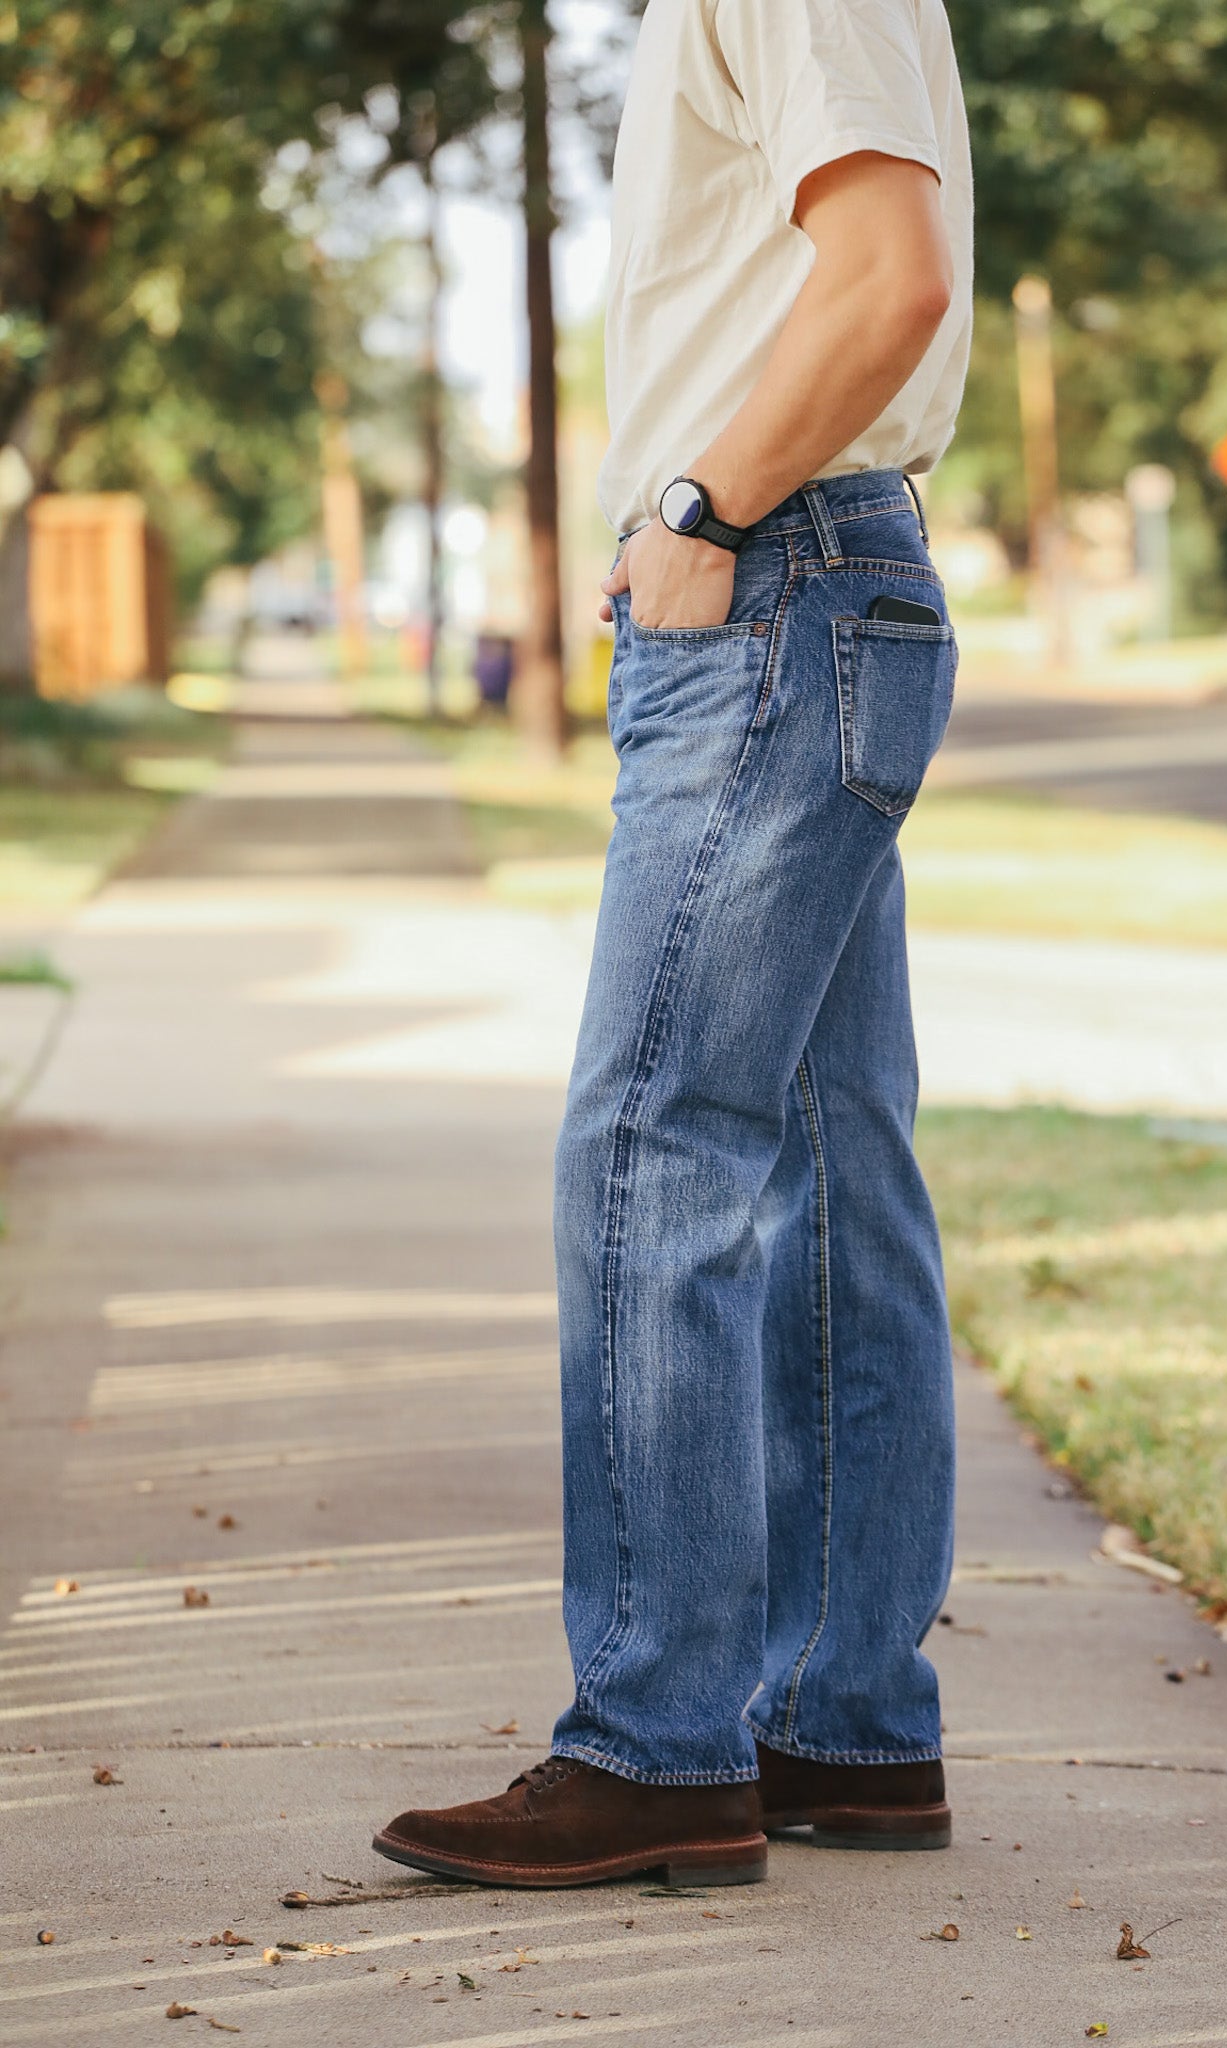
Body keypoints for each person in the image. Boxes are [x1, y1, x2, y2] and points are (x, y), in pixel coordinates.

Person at [374, 0, 973, 1889]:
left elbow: (887, 278)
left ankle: (658, 1744)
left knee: (654, 1146)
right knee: (828, 1169)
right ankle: (841, 1722)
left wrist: (700, 508)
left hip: (773, 586)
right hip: (810, 585)